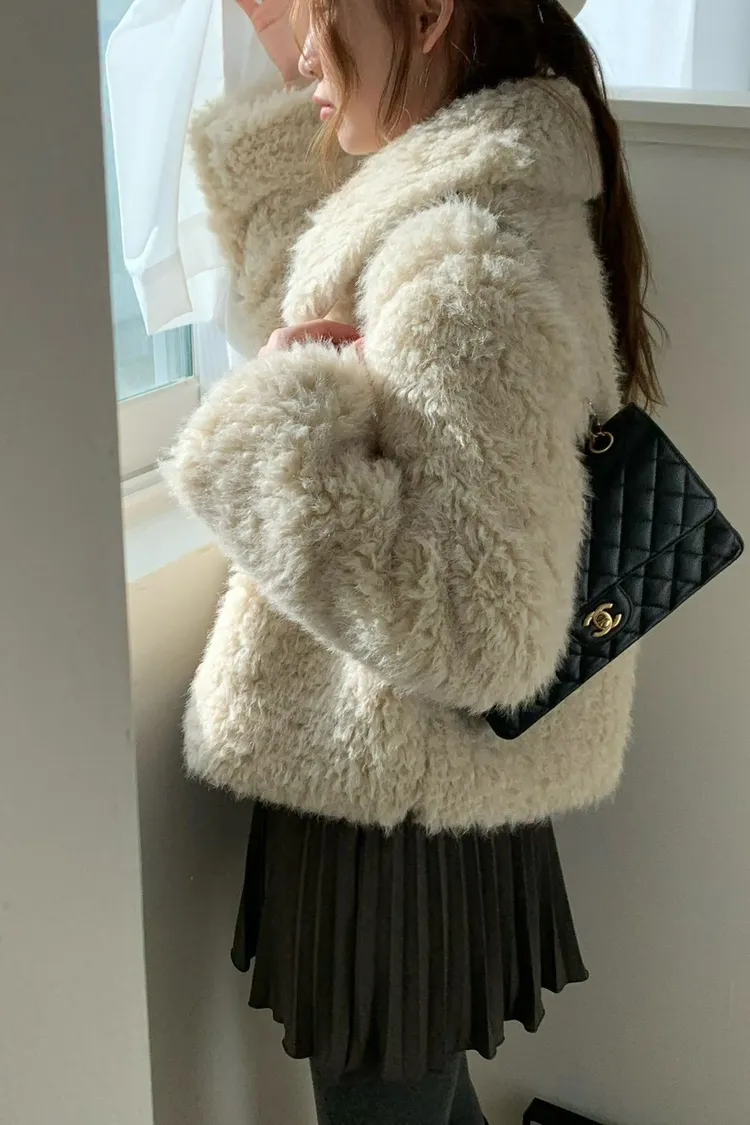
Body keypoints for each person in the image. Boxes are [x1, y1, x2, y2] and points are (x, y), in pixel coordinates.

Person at [168, 0, 661, 1120]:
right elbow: (321, 302)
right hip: (421, 794)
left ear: (430, 14)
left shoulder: (466, 259)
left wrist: (269, 424)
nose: (303, 48)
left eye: (320, 14)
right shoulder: (454, 208)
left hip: (396, 814)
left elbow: (480, 631)